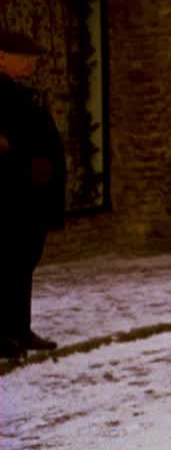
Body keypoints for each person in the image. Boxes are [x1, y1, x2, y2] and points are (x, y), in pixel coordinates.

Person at [0, 29, 66, 359]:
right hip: (8, 193)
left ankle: (19, 330)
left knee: (23, 262)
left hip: (31, 193)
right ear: (1, 57)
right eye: (24, 58)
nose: (30, 64)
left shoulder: (22, 91)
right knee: (6, 261)